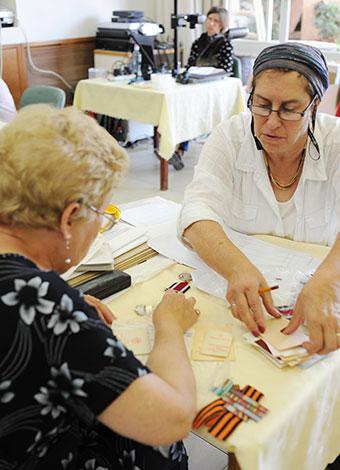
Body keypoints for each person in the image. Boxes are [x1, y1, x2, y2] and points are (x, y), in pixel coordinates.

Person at [0, 105, 199, 469]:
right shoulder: (45, 306)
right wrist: (169, 327)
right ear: (69, 217)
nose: (100, 227)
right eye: (103, 215)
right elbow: (173, 420)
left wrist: (67, 318)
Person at [178, 42, 340, 355]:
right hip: (245, 303)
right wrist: (236, 267)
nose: (272, 122)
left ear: (315, 105)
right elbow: (197, 213)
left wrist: (328, 280)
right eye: (262, 104)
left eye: (290, 109)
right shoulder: (230, 136)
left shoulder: (336, 143)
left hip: (321, 291)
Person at [169, 6, 233, 170]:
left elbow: (225, 69)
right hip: (196, 87)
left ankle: (213, 153)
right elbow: (190, 65)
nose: (211, 23)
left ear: (222, 25)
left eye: (216, 21)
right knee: (185, 109)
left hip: (214, 90)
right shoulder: (198, 43)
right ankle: (178, 151)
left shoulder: (225, 44)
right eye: (209, 19)